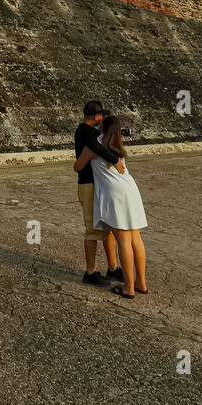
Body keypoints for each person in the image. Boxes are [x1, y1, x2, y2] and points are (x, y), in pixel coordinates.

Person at [74, 115, 148, 299]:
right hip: (131, 190)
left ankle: (129, 288)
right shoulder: (118, 146)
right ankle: (141, 283)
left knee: (123, 241)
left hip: (115, 195)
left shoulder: (96, 143)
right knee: (136, 239)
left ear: (102, 129)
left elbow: (77, 166)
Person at [73, 100, 123, 285]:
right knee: (93, 230)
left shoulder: (90, 133)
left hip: (99, 185)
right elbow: (97, 148)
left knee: (106, 229)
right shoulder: (85, 132)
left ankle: (113, 267)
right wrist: (115, 159)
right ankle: (90, 272)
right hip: (89, 185)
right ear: (97, 116)